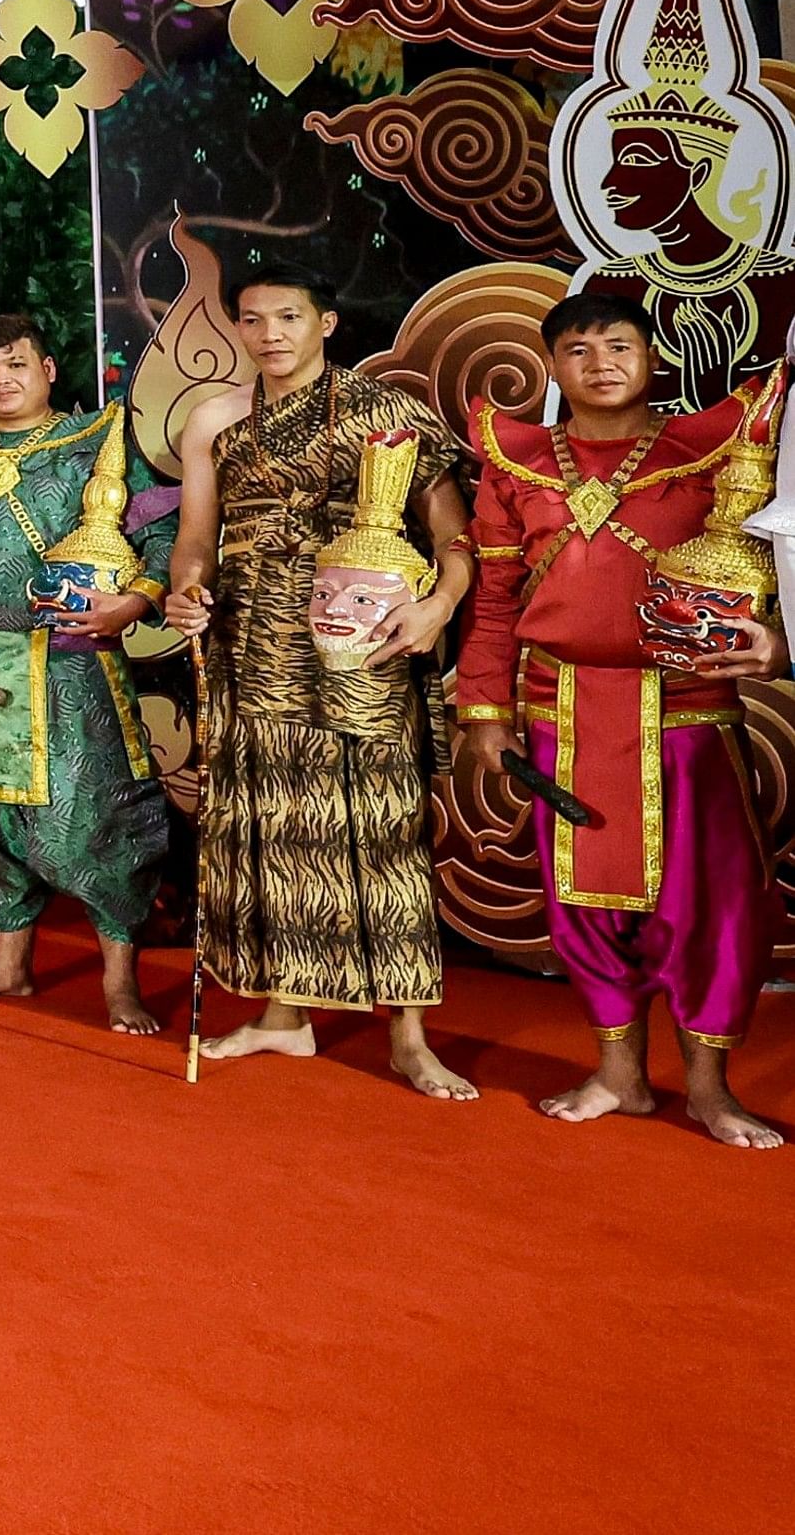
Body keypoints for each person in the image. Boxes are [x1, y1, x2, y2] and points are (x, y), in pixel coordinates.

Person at [456, 296, 785, 1145]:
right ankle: (620, 1075)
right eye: (577, 349)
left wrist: (774, 642)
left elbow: (769, 576)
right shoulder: (518, 460)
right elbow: (493, 601)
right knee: (581, 904)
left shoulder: (712, 448)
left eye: (618, 343)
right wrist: (484, 712)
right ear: (553, 367)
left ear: (651, 353)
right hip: (558, 712)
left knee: (712, 907)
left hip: (686, 714)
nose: (600, 360)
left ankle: (711, 1088)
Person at [164, 261, 476, 1098]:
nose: (271, 334)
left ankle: (408, 1032)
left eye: (290, 317)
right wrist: (185, 587)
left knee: (379, 827)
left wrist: (438, 607)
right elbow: (196, 536)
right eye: (255, 319)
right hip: (255, 637)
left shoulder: (387, 414)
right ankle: (282, 1014)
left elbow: (454, 534)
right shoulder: (216, 420)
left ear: (326, 323)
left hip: (364, 637)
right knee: (272, 822)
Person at [0, 312, 177, 1033]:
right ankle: (9, 962)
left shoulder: (99, 441)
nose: (0, 381)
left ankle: (121, 981)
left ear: (48, 369)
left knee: (91, 823)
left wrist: (135, 602)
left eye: (16, 365)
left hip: (72, 667)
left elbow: (161, 534)